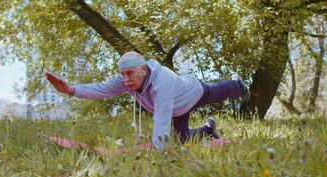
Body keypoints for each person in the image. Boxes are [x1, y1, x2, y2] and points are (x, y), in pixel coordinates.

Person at [46, 51, 250, 150]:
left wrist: (157, 155)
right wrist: (72, 90)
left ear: (144, 70)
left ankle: (238, 85)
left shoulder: (163, 82)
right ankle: (208, 129)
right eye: (122, 74)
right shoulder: (127, 80)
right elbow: (102, 89)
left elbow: (161, 123)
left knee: (219, 91)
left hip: (193, 91)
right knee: (184, 139)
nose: (125, 79)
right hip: (177, 109)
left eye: (130, 73)